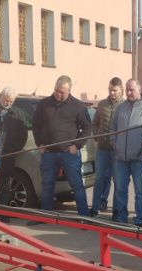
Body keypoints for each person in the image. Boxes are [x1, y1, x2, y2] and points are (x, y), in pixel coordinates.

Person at [31, 75, 92, 221]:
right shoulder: (44, 104)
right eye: (57, 90)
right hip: (49, 153)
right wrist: (39, 143)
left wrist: (77, 145)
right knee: (47, 185)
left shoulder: (77, 106)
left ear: (69, 91)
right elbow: (36, 125)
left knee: (77, 185)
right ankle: (45, 216)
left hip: (69, 153)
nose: (58, 94)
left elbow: (87, 127)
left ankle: (85, 217)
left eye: (62, 92)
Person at [109, 79, 142, 227]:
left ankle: (138, 219)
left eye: (131, 90)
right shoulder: (120, 108)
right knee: (120, 189)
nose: (129, 93)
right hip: (120, 158)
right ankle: (122, 217)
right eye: (127, 90)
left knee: (140, 191)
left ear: (139, 90)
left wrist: (141, 147)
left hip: (139, 158)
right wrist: (115, 143)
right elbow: (113, 127)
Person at [90, 77, 125, 217]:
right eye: (110, 90)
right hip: (102, 148)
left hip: (116, 150)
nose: (112, 93)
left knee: (117, 180)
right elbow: (94, 123)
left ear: (120, 90)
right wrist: (97, 137)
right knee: (99, 179)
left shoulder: (124, 105)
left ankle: (116, 210)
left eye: (115, 90)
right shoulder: (102, 104)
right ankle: (95, 207)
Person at [0, 87, 28, 217]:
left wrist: (13, 149)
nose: (8, 103)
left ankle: (1, 214)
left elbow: (23, 135)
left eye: (11, 101)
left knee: (4, 186)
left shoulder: (17, 113)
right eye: (6, 100)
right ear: (0, 97)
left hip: (7, 155)